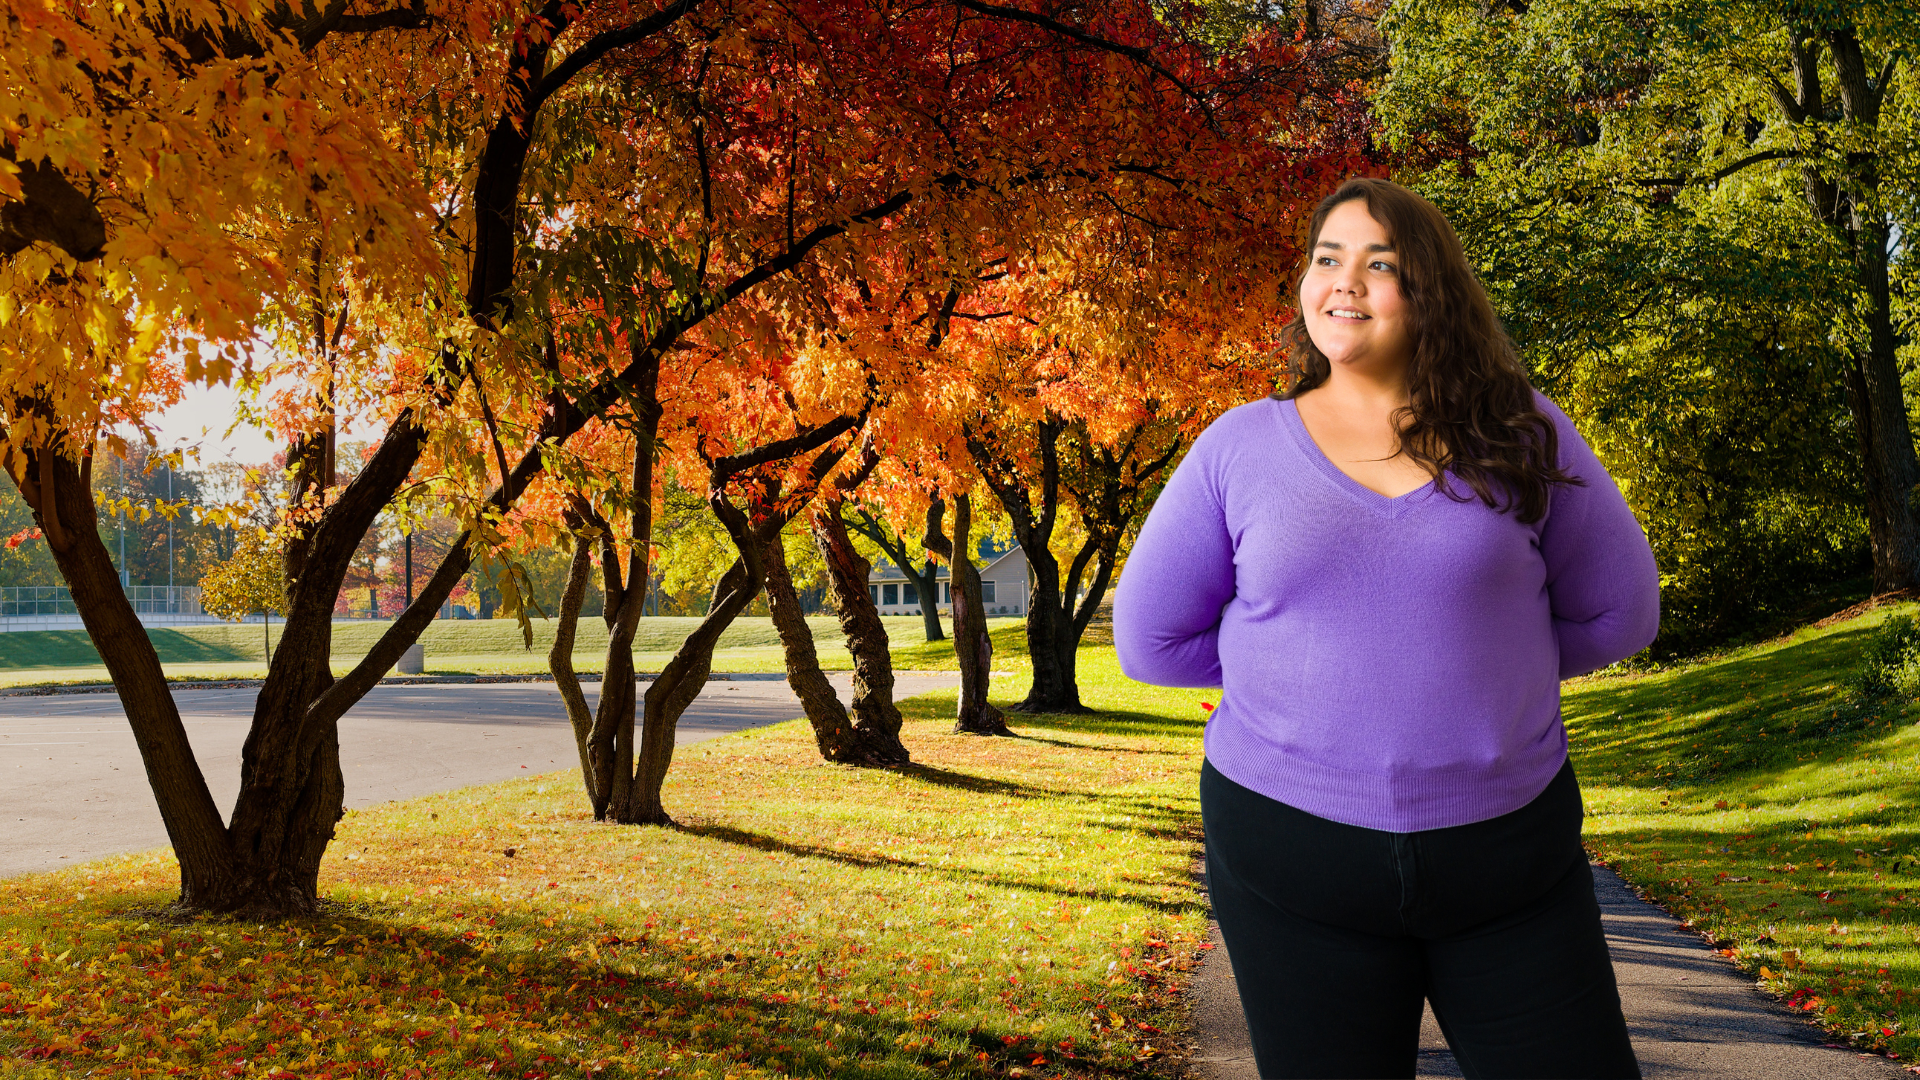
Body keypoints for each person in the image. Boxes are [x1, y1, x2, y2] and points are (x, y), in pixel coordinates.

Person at [1113, 177, 1657, 1080]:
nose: (1344, 282)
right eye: (1328, 258)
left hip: (1509, 862)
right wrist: (1303, 672)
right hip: (1290, 860)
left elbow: (1619, 612)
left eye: (1380, 264)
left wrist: (1486, 673)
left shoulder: (1523, 433)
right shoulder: (1237, 446)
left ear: (1432, 289)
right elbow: (1152, 642)